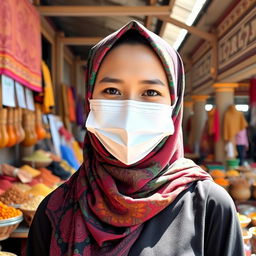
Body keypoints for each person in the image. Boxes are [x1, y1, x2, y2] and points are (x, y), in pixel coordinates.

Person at [27, 21, 244, 256]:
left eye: (151, 92)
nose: (129, 110)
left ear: (174, 105)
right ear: (90, 99)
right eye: (111, 90)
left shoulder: (209, 207)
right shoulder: (54, 210)